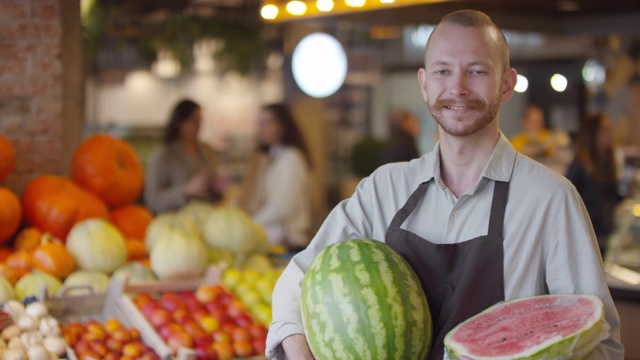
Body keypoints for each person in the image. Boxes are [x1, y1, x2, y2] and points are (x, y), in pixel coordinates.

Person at [266, 10, 623, 360]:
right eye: (442, 71)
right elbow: (296, 281)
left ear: (506, 84)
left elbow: (603, 345)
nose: (458, 87)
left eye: (477, 71)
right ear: (424, 84)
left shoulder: (551, 199)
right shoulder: (383, 190)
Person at [238, 103, 312, 250]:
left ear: (283, 126)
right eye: (260, 123)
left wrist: (249, 224)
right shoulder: (273, 158)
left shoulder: (291, 158)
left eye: (267, 122)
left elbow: (282, 208)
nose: (262, 129)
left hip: (290, 243)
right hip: (276, 241)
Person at [144, 99, 220, 214]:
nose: (199, 125)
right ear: (180, 122)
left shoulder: (206, 149)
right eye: (194, 120)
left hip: (208, 216)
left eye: (200, 120)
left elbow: (214, 185)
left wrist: (218, 186)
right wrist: (185, 190)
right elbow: (153, 201)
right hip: (176, 222)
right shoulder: (163, 155)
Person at [566, 114, 623, 257]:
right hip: (585, 238)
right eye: (605, 130)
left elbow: (612, 199)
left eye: (611, 129)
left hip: (605, 236)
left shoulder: (608, 164)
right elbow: (569, 203)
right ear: (592, 134)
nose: (611, 134)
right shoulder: (579, 166)